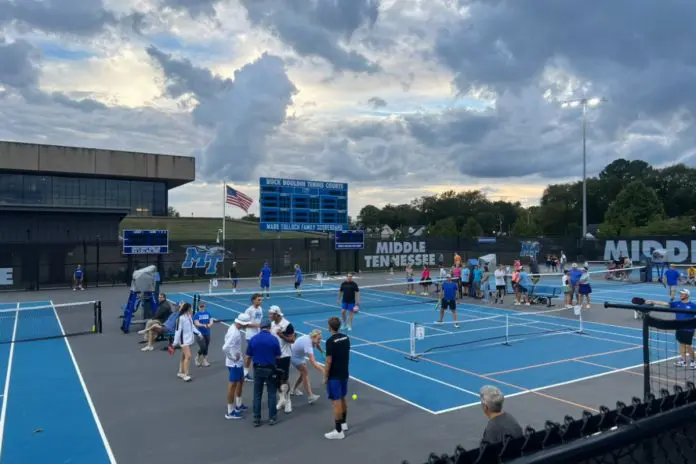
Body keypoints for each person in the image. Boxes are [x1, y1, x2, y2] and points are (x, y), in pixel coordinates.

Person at [646, 289, 696, 369]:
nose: (681, 295)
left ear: (687, 295)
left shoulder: (693, 306)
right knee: (681, 345)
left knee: (688, 346)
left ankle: (694, 360)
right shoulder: (677, 304)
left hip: (688, 329)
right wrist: (653, 301)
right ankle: (683, 361)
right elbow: (665, 304)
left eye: (683, 294)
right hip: (679, 327)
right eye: (680, 294)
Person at [245, 318, 281, 427]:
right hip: (270, 369)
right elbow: (278, 355)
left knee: (257, 394)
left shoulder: (253, 339)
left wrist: (245, 369)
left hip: (258, 369)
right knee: (271, 393)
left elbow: (248, 356)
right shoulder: (274, 339)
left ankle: (256, 419)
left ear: (260, 327)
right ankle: (272, 418)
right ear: (269, 328)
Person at [324, 316, 351, 440]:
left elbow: (329, 361)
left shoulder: (330, 341)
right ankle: (344, 424)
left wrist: (325, 376)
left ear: (329, 327)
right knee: (342, 398)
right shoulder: (346, 338)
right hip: (344, 373)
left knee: (336, 402)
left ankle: (338, 431)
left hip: (334, 376)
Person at [222, 313, 250, 420]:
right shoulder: (234, 333)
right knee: (233, 385)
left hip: (238, 362)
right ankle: (230, 411)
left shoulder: (233, 328)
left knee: (241, 380)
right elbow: (225, 348)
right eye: (246, 324)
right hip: (234, 363)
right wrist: (233, 357)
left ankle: (238, 404)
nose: (247, 325)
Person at [269, 306, 296, 414]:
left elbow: (292, 340)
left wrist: (282, 336)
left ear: (277, 314)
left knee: (284, 380)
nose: (269, 316)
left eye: (271, 314)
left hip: (284, 356)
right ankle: (281, 399)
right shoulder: (272, 324)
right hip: (273, 356)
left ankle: (288, 401)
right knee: (276, 379)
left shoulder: (287, 325)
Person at [290, 329, 324, 403]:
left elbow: (317, 344)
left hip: (299, 355)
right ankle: (310, 396)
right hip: (294, 357)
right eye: (319, 339)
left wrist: (322, 351)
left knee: (303, 374)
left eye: (321, 339)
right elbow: (313, 361)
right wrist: (323, 370)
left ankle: (293, 389)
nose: (320, 340)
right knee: (305, 374)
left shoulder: (311, 337)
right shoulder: (308, 344)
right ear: (313, 337)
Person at [172, 303, 202, 382]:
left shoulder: (189, 317)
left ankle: (180, 372)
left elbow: (192, 327)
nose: (192, 309)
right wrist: (175, 342)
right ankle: (186, 374)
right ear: (187, 309)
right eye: (191, 308)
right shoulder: (180, 318)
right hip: (183, 341)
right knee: (188, 356)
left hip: (188, 340)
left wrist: (199, 333)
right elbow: (178, 331)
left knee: (183, 356)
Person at [243, 293, 264, 382]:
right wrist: (257, 325)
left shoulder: (260, 309)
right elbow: (245, 324)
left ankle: (246, 373)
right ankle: (248, 373)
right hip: (250, 336)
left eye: (261, 299)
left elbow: (260, 321)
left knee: (250, 355)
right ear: (253, 300)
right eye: (258, 300)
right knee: (253, 355)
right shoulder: (248, 311)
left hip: (258, 335)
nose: (260, 301)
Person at [193, 301, 214, 367]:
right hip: (199, 333)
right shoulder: (196, 314)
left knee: (206, 347)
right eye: (200, 306)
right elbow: (196, 323)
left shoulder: (208, 313)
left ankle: (204, 360)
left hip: (207, 333)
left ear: (204, 306)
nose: (202, 307)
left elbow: (211, 321)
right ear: (198, 307)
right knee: (203, 347)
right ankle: (197, 358)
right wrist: (203, 325)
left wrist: (209, 324)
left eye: (203, 306)